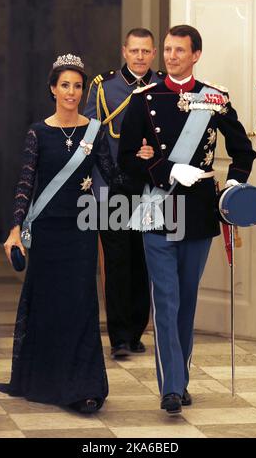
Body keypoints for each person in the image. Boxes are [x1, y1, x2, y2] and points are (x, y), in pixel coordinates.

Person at [118, 25, 256, 414]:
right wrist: (165, 172)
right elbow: (126, 158)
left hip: (197, 210)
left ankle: (180, 377)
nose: (171, 56)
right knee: (165, 298)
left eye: (180, 50)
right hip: (156, 208)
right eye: (167, 49)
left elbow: (243, 151)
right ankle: (171, 388)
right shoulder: (144, 98)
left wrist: (231, 185)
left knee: (186, 300)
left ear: (196, 54)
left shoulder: (214, 99)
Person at [0, 54, 112, 413]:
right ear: (53, 89)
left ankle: (84, 387)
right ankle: (43, 379)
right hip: (46, 233)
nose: (71, 92)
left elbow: (113, 175)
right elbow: (26, 184)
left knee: (81, 305)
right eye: (65, 85)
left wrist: (142, 158)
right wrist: (15, 229)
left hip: (81, 232)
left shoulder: (95, 130)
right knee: (48, 305)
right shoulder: (38, 132)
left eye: (77, 86)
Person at [84, 28, 165, 358]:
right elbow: (91, 132)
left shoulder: (162, 86)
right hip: (110, 183)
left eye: (146, 51)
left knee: (144, 257)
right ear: (124, 51)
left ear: (154, 52)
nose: (140, 57)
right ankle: (118, 336)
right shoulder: (104, 86)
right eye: (135, 51)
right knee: (116, 260)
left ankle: (136, 330)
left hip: (148, 186)